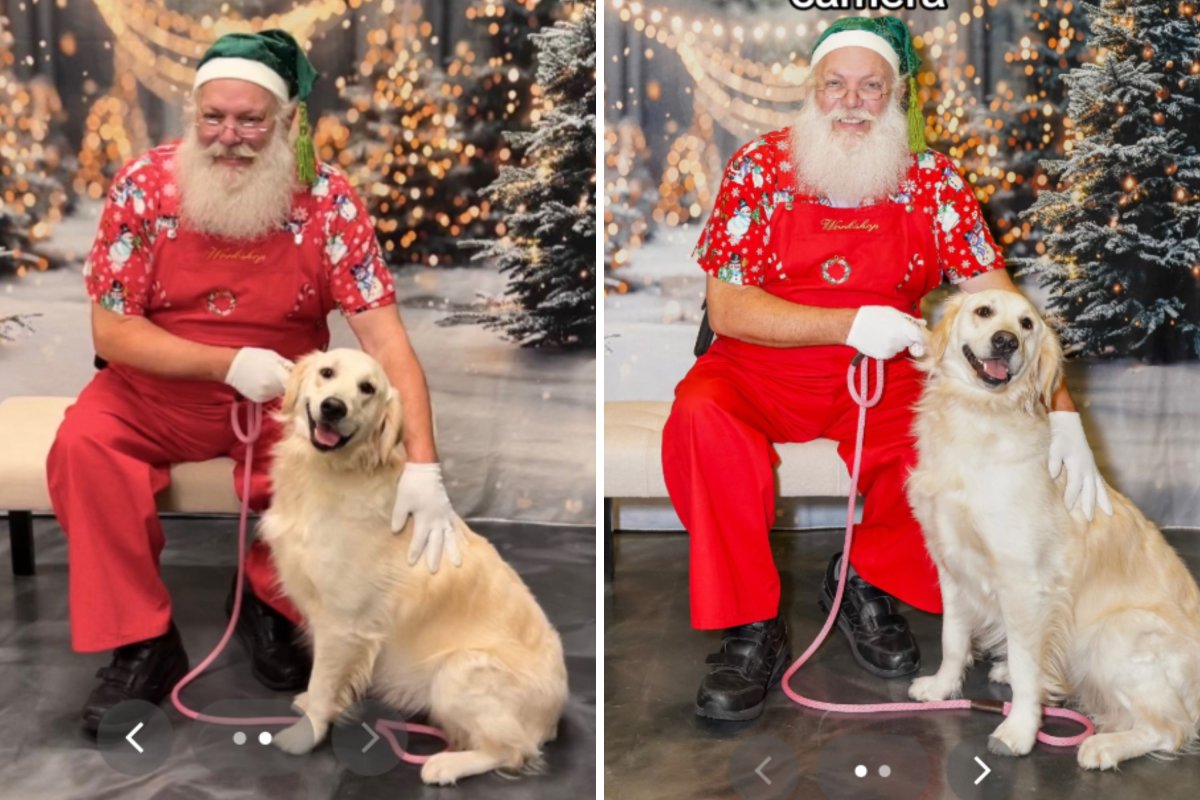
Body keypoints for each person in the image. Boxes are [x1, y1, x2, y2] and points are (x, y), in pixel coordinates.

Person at [662, 15, 1114, 722]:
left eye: (870, 87)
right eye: (835, 84)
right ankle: (750, 625)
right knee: (700, 417)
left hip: (882, 380)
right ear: (811, 91)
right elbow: (725, 309)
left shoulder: (933, 179)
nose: (850, 101)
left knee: (941, 451)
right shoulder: (756, 165)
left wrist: (1060, 408)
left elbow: (1000, 301)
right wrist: (847, 323)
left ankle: (864, 579)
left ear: (895, 96)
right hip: (760, 367)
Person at [46, 29, 463, 736]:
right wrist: (223, 362)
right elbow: (112, 334)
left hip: (286, 403)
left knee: (337, 468)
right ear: (194, 113)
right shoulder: (143, 185)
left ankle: (275, 602)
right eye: (214, 117)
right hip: (152, 390)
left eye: (250, 120)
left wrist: (423, 462)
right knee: (85, 448)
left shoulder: (329, 200)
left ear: (286, 123)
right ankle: (143, 642)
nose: (229, 137)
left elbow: (385, 339)